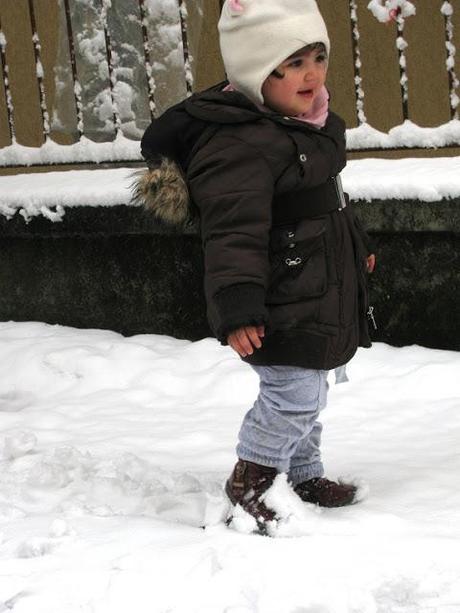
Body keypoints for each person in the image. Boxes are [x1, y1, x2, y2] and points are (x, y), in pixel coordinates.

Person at [135, 0, 376, 535]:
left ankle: (303, 472)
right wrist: (238, 307)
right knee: (295, 393)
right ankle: (253, 482)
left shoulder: (306, 123)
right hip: (278, 294)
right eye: (290, 64)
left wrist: (357, 251)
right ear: (253, 75)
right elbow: (231, 235)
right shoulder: (239, 144)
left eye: (317, 55)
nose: (311, 73)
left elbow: (330, 202)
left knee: (311, 383)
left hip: (318, 282)